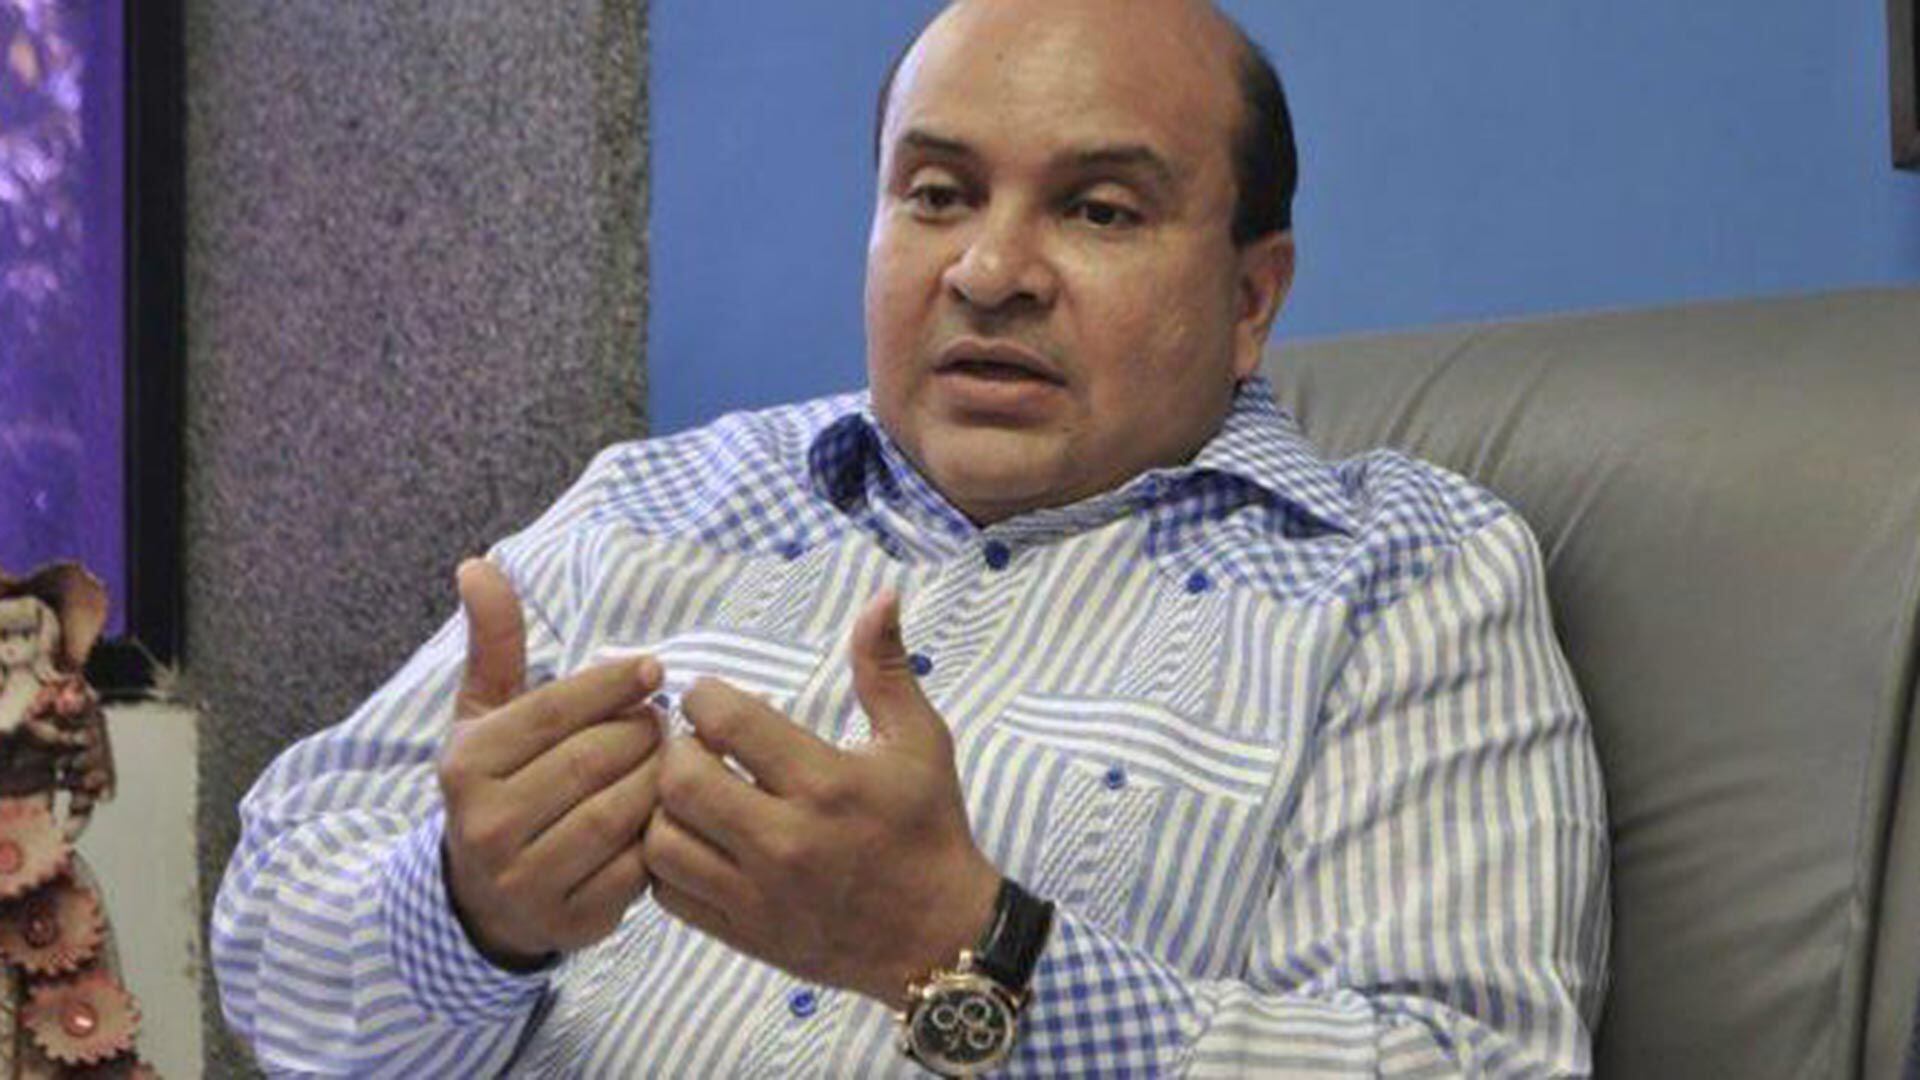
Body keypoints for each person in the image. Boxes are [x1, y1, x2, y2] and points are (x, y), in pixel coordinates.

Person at [213, 0, 1610, 1075]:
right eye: (937, 194)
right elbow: (270, 943)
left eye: (1098, 209)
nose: (989, 272)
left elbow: (1467, 1061)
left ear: (1252, 298)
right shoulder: (651, 504)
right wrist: (464, 911)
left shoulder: (1401, 577)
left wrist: (971, 953)